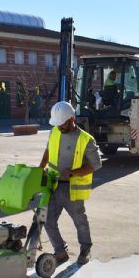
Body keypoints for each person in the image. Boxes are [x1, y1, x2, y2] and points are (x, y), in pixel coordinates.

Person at [38, 101, 102, 265]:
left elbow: (96, 164)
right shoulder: (54, 132)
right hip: (52, 184)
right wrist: (40, 169)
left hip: (71, 188)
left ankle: (85, 249)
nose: (59, 127)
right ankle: (60, 251)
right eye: (57, 124)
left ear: (72, 119)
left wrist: (73, 172)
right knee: (46, 220)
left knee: (80, 221)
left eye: (62, 124)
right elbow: (48, 151)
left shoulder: (85, 139)